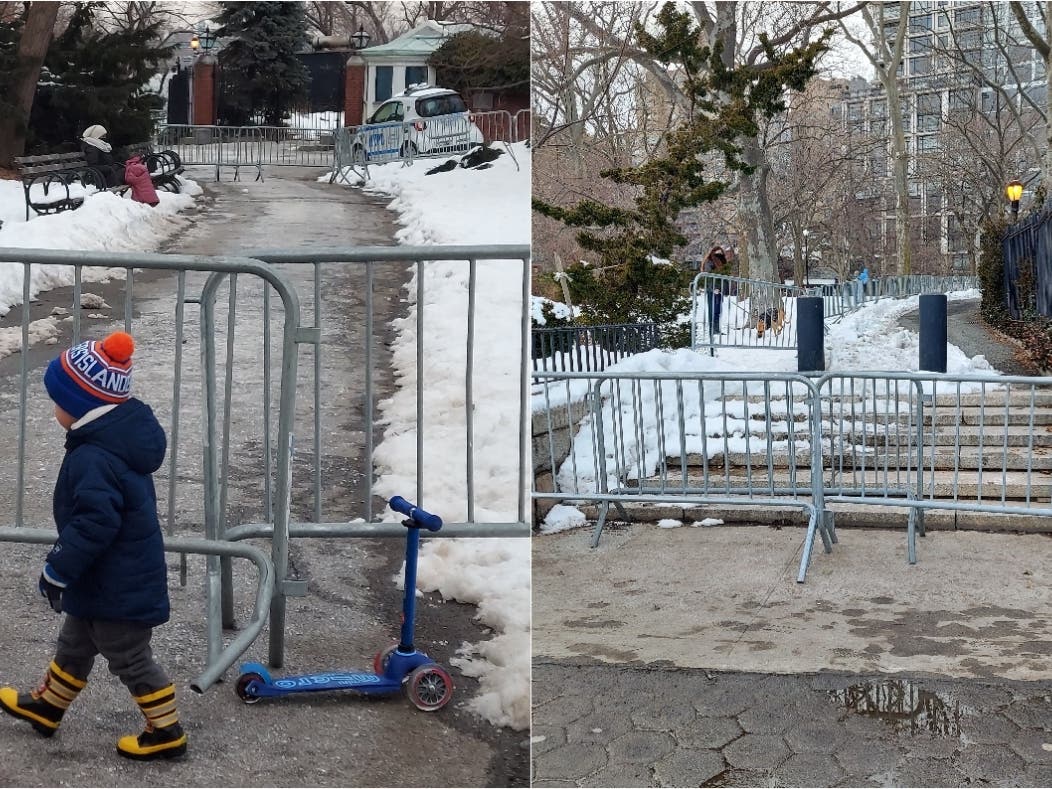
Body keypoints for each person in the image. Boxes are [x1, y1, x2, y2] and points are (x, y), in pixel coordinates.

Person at [0, 331, 186, 761]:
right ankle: (49, 706)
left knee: (129, 656)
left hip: (117, 583)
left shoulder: (94, 457)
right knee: (75, 644)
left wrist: (58, 567)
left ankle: (166, 729)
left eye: (59, 402)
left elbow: (95, 523)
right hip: (107, 578)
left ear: (84, 407)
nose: (54, 411)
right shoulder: (109, 442)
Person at [703, 246, 727, 334]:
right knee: (712, 310)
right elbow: (709, 277)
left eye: (721, 253)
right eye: (717, 253)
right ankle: (712, 329)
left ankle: (716, 329)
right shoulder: (709, 262)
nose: (719, 255)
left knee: (718, 310)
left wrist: (723, 289)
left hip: (719, 290)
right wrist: (714, 289)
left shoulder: (722, 262)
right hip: (712, 290)